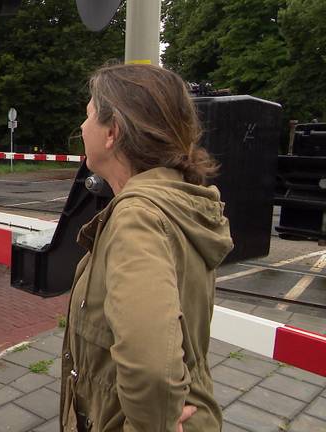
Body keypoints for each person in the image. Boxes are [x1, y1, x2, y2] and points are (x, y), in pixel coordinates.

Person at [60, 64, 234, 432]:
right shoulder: (176, 200)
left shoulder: (137, 217)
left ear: (113, 133)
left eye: (89, 114)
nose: (82, 126)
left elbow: (151, 365)